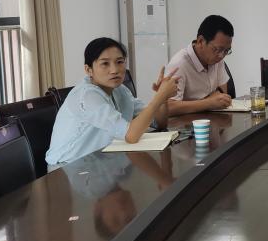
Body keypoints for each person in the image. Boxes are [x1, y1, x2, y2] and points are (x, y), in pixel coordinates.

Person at [45, 38, 179, 167]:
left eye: (119, 62)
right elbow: (131, 136)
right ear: (88, 70)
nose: (114, 70)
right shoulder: (87, 96)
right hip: (68, 168)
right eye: (105, 64)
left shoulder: (120, 90)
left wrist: (163, 99)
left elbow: (158, 123)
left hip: (102, 161)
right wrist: (159, 97)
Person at [163, 15, 235, 115]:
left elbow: (222, 94)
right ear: (201, 41)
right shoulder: (179, 64)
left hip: (211, 119)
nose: (221, 56)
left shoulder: (217, 58)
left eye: (226, 51)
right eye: (218, 49)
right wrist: (208, 103)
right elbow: (168, 107)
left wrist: (217, 99)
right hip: (186, 123)